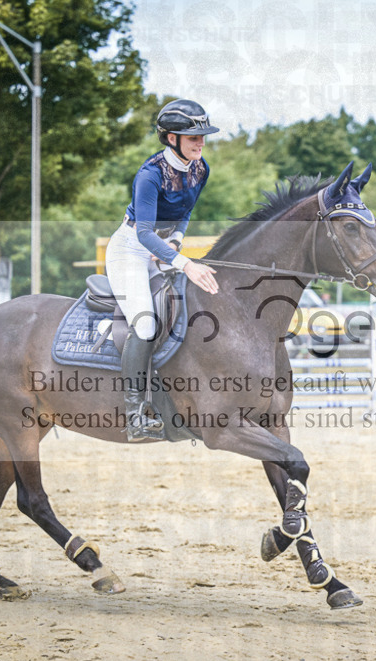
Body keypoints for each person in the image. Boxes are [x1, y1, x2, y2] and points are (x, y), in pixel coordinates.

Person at [105, 99, 220, 441]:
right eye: (192, 138)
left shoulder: (201, 169)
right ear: (171, 139)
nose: (200, 143)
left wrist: (177, 240)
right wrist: (185, 263)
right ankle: (135, 413)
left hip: (162, 249)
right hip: (130, 249)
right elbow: (142, 233)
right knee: (145, 323)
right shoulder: (150, 175)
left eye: (202, 137)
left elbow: (184, 210)